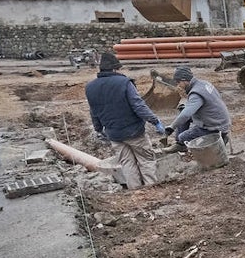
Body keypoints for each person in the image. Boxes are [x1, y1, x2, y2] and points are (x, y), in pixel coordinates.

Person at [84, 51, 165, 189]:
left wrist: (98, 129)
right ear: (115, 68)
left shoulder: (90, 87)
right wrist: (155, 121)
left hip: (114, 134)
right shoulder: (124, 83)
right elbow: (138, 105)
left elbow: (94, 111)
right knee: (146, 160)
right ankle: (151, 189)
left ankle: (136, 190)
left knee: (127, 163)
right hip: (134, 131)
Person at [166, 66, 232, 157]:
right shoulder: (203, 83)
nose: (179, 86)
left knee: (183, 136)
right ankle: (179, 144)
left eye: (178, 82)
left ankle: (181, 144)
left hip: (214, 126)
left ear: (184, 80)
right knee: (183, 110)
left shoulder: (196, 93)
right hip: (219, 119)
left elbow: (186, 115)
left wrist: (172, 127)